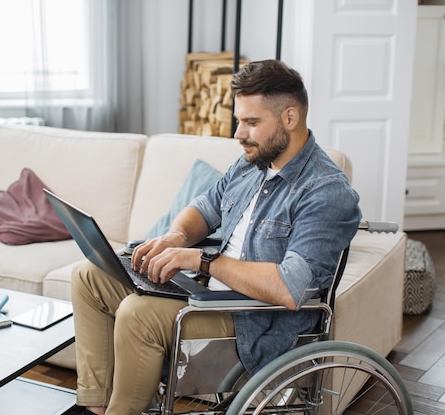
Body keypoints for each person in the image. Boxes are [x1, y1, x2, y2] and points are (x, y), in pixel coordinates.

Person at [70, 59, 362, 415]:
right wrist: (176, 236)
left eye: (251, 123)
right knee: (89, 276)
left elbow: (291, 288)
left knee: (138, 313)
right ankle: (96, 408)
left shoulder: (325, 191)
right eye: (240, 120)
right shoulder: (252, 162)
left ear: (289, 118)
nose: (239, 133)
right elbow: (206, 207)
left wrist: (201, 259)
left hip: (256, 320)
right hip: (209, 294)